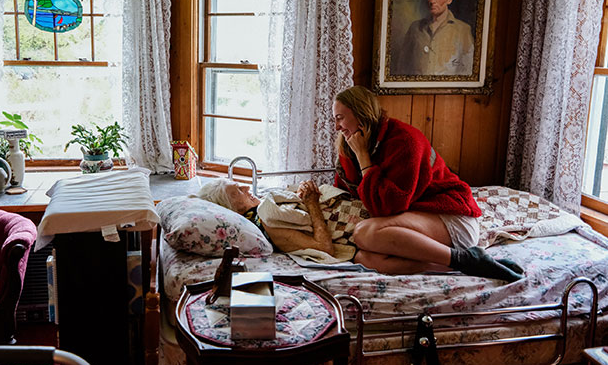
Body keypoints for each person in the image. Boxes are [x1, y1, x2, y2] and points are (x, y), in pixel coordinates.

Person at [333, 85, 523, 282]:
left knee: (365, 233)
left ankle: (465, 257)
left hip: (452, 218)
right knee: (364, 258)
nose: (337, 127)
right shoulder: (352, 147)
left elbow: (388, 207)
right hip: (417, 223)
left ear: (361, 114)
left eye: (340, 118)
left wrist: (364, 158)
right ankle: (472, 264)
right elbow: (345, 192)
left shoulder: (404, 140)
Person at [196, 178, 342, 257]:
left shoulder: (265, 208)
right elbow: (324, 248)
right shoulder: (268, 223)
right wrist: (312, 203)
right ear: (233, 210)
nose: (247, 187)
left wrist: (300, 194)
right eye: (239, 191)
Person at [394, 0, 474, 76]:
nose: (432, 1)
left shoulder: (463, 30)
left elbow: (468, 72)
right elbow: (402, 68)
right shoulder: (415, 28)